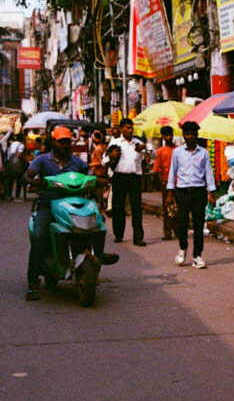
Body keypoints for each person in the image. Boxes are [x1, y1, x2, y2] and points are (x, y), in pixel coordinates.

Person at [23, 126, 118, 301]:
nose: (65, 145)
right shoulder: (42, 160)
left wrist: (102, 180)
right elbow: (27, 175)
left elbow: (90, 175)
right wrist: (35, 181)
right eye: (61, 142)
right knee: (39, 237)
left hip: (74, 203)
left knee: (99, 222)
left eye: (67, 142)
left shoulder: (77, 163)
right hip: (48, 204)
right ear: (54, 142)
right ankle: (33, 283)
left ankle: (98, 253)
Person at [166, 120, 216, 268]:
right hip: (182, 192)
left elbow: (208, 173)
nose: (190, 137)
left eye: (192, 134)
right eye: (187, 134)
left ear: (196, 135)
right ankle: (182, 247)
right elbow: (172, 172)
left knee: (199, 224)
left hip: (199, 192)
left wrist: (211, 192)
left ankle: (197, 255)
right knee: (182, 223)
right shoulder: (177, 152)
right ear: (183, 136)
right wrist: (170, 193)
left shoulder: (204, 152)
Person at [104, 118, 147, 246]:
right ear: (122, 129)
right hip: (119, 177)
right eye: (127, 128)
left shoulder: (138, 143)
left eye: (131, 128)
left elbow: (152, 155)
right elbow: (103, 161)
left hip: (135, 178)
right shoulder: (115, 143)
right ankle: (118, 234)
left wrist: (146, 148)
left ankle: (138, 237)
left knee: (136, 208)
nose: (130, 130)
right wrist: (111, 156)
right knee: (118, 207)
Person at [154, 125, 178, 240]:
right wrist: (162, 183)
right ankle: (167, 232)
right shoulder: (160, 151)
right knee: (167, 208)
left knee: (179, 208)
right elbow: (158, 169)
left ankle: (178, 230)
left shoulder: (178, 150)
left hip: (179, 182)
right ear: (163, 137)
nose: (168, 137)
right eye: (166, 135)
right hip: (166, 182)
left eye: (170, 135)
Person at [88, 129, 110, 211]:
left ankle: (100, 203)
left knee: (97, 187)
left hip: (98, 171)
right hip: (103, 171)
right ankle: (102, 203)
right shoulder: (105, 146)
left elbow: (101, 162)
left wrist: (90, 164)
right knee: (99, 188)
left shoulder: (98, 149)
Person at [6, 130, 27, 200]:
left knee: (10, 180)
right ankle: (17, 195)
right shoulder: (21, 145)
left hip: (10, 163)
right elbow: (19, 154)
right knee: (19, 180)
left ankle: (9, 195)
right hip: (17, 165)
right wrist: (25, 160)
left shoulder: (11, 144)